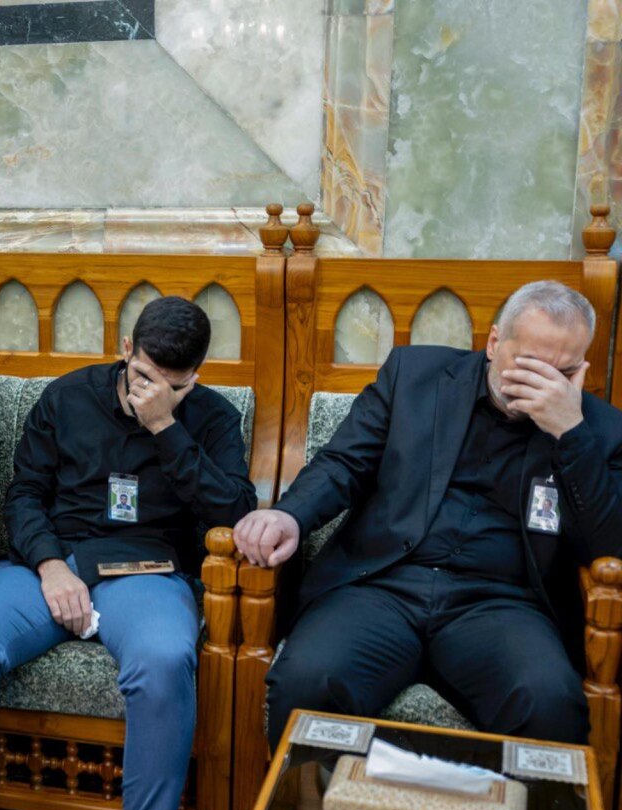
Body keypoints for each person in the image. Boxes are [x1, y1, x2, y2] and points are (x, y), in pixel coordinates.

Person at [234, 280, 622, 748]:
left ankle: (495, 802)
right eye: (530, 366)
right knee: (309, 680)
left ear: (581, 369)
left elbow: (608, 545)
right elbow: (344, 463)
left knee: (549, 705)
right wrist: (289, 516)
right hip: (384, 585)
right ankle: (326, 797)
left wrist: (570, 434)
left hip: (502, 604)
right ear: (494, 343)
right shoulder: (414, 375)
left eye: (562, 373)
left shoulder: (599, 431)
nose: (543, 386)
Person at [0, 297, 256, 810]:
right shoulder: (67, 396)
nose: (152, 393)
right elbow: (24, 494)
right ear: (126, 349)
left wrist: (166, 427)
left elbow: (234, 511)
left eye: (174, 386)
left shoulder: (213, 417)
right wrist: (50, 565)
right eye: (145, 377)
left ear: (195, 376)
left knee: (163, 660)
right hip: (54, 558)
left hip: (147, 571)